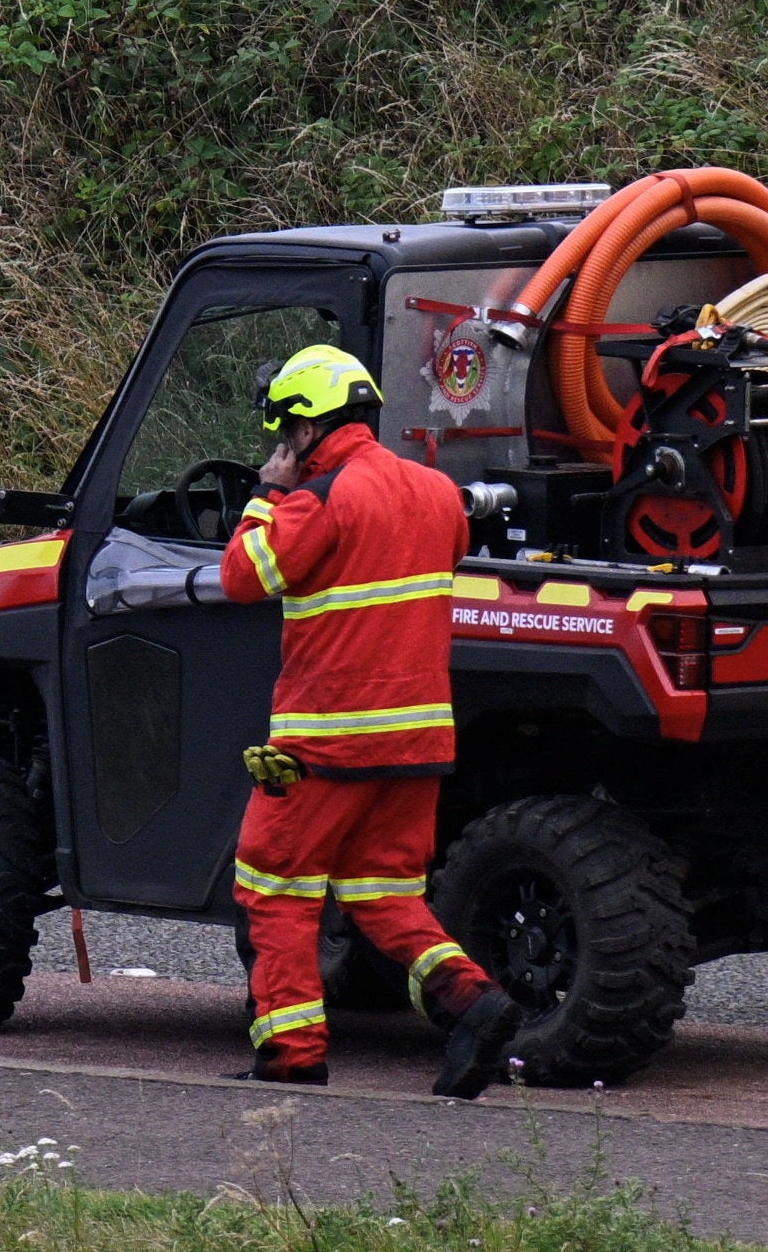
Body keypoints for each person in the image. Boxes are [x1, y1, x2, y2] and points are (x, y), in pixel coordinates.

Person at [221, 339, 522, 1096]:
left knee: (276, 889)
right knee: (383, 894)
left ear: (306, 428)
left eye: (282, 433)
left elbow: (242, 578)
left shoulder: (316, 501)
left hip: (325, 743)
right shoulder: (433, 494)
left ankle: (291, 1058)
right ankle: (473, 1003)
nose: (279, 447)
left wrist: (267, 495)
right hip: (416, 743)